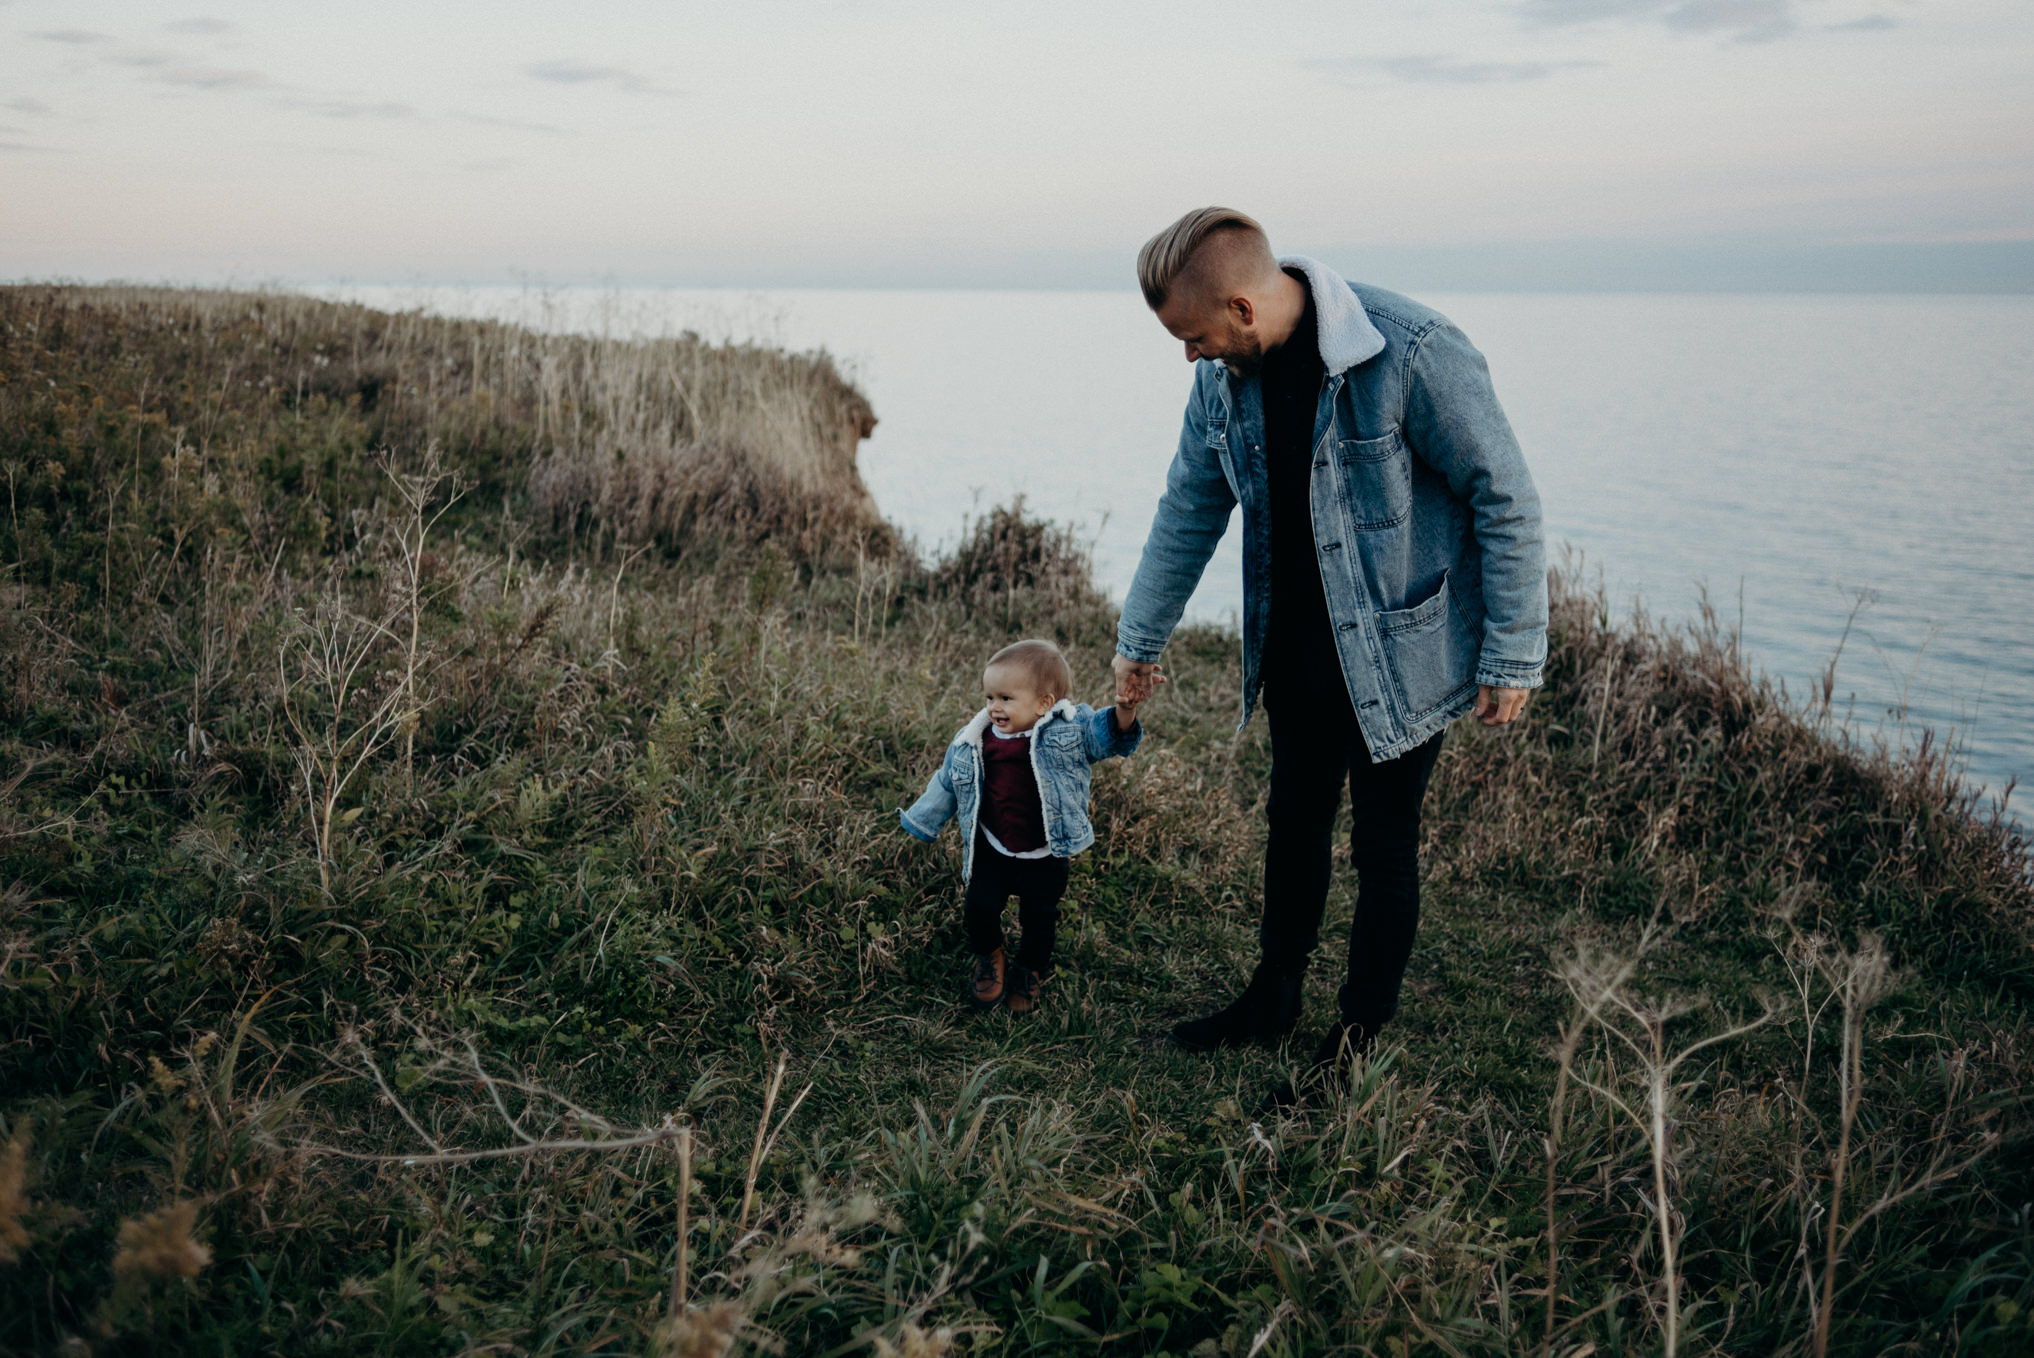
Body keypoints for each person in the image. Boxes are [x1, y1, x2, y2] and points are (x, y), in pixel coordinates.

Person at [1112, 207, 1547, 1079]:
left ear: (1240, 308)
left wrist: (1511, 655)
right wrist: (1139, 639)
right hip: (1294, 648)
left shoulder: (1412, 349)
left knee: (1385, 844)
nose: (1189, 357)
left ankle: (1357, 1037)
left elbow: (1505, 494)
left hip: (1402, 656)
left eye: (1193, 337)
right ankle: (1274, 996)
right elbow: (1189, 509)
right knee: (1293, 822)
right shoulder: (1222, 383)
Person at [900, 639, 1155, 1014]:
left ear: (1044, 704)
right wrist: (923, 820)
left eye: (1006, 698)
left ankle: (1031, 969)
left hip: (1045, 851)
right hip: (994, 845)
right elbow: (948, 781)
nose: (994, 707)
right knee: (979, 908)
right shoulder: (974, 740)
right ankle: (991, 956)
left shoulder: (1069, 730)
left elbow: (1107, 736)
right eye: (990, 697)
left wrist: (1125, 709)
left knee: (1040, 919)